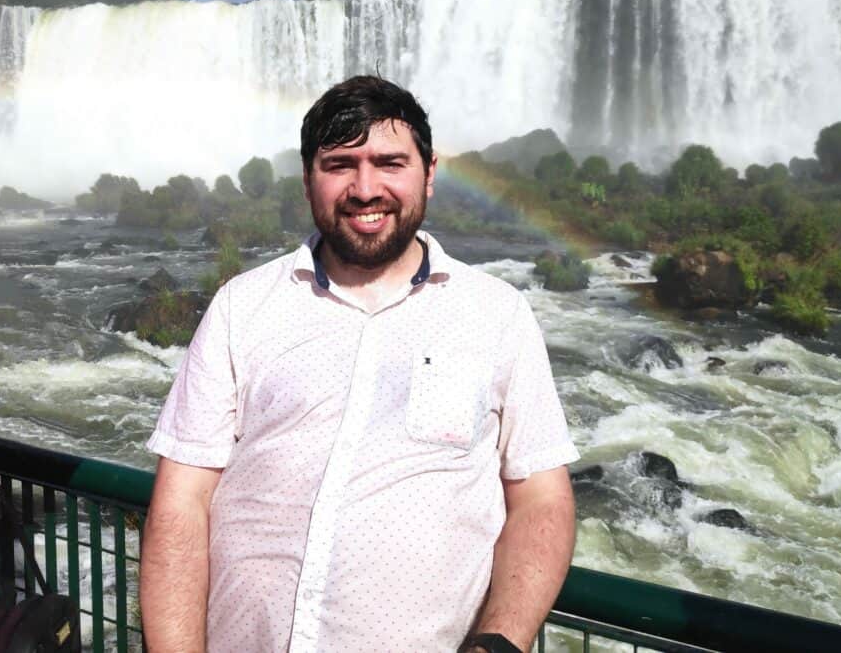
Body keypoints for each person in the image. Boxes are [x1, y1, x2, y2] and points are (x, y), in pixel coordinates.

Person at [141, 76, 578, 653]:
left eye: (389, 162)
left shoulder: (497, 315)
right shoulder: (241, 307)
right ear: (307, 180)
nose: (365, 188)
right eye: (340, 164)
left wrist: (500, 643)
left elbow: (542, 500)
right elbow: (180, 503)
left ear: (429, 172)